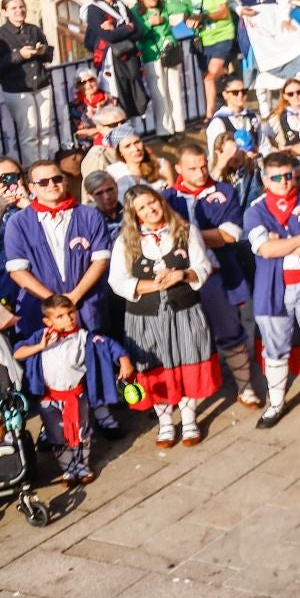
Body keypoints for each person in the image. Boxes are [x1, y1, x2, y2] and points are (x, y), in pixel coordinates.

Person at [111, 183, 217, 447]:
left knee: (188, 360)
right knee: (155, 368)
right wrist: (151, 285)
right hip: (145, 317)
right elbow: (118, 281)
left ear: (161, 201)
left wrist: (181, 275)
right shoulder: (126, 241)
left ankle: (190, 419)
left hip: (185, 310)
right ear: (134, 215)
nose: (150, 210)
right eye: (142, 208)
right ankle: (166, 423)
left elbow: (202, 266)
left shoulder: (185, 231)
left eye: (152, 203)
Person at [245, 150, 300, 427]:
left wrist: (284, 241)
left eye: (288, 176)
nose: (284, 182)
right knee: (274, 348)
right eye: (276, 177)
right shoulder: (255, 209)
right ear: (265, 179)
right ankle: (276, 402)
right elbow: (265, 250)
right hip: (272, 290)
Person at [167, 142, 258, 409]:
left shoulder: (224, 191)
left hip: (217, 274)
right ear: (178, 169)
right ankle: (192, 396)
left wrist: (185, 235)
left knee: (230, 329)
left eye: (203, 166)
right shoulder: (166, 198)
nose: (200, 173)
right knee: (188, 337)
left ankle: (245, 386)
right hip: (182, 277)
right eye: (192, 169)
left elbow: (229, 234)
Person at [15, 294, 124, 485]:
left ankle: (82, 466)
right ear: (47, 320)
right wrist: (40, 346)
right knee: (57, 434)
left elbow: (109, 345)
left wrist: (123, 360)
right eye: (60, 316)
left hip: (76, 396)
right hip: (49, 399)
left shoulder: (84, 338)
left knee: (81, 430)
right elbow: (18, 353)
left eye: (71, 312)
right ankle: (68, 469)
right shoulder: (41, 337)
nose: (68, 318)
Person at [3, 160, 112, 342]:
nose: (51, 185)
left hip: (87, 308)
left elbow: (100, 260)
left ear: (66, 181)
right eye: (43, 182)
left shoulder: (90, 215)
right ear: (31, 188)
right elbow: (17, 271)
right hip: (41, 313)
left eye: (57, 179)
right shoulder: (18, 223)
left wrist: (74, 296)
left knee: (97, 362)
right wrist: (55, 303)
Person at [228, 0, 300, 113]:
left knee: (295, 42)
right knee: (258, 60)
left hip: (275, 19)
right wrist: (242, 11)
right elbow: (233, 1)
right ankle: (263, 105)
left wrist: (285, 19)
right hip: (253, 23)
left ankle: (299, 94)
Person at [0, 0, 55, 167]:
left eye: (21, 7)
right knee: (29, 134)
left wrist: (41, 52)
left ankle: (46, 164)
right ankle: (35, 169)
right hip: (18, 90)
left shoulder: (34, 30)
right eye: (14, 8)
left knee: (45, 130)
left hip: (41, 85)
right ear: (5, 12)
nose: (19, 11)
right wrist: (19, 56)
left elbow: (49, 55)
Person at [82, 0, 151, 125]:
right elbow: (108, 37)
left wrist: (118, 30)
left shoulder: (120, 6)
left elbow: (139, 30)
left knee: (132, 95)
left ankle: (132, 134)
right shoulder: (94, 10)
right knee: (116, 98)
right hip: (111, 61)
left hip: (129, 58)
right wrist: (127, 28)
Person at [179, 0, 238, 117]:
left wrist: (203, 17)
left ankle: (209, 114)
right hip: (202, 40)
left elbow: (223, 11)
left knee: (209, 77)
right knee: (209, 76)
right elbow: (185, 16)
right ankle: (226, 85)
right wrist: (190, 21)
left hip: (222, 35)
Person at [131, 0, 189, 138]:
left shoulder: (164, 5)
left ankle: (179, 127)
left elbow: (182, 8)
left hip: (170, 52)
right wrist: (149, 24)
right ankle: (164, 130)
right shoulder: (136, 12)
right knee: (160, 93)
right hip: (152, 55)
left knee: (174, 90)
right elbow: (135, 33)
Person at [262, 78, 300, 189]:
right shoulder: (280, 115)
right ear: (285, 96)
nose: (296, 96)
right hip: (293, 160)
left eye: (299, 92)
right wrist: (279, 148)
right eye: (290, 94)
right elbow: (265, 135)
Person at [204, 73, 263, 160]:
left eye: (244, 91)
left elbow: (263, 144)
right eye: (235, 92)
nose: (240, 95)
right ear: (225, 94)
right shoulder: (219, 121)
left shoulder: (253, 117)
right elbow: (215, 155)